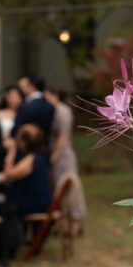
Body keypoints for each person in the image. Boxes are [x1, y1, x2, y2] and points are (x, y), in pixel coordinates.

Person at [44, 88, 87, 225]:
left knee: (69, 188)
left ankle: (74, 222)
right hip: (56, 154)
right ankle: (62, 221)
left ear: (55, 95)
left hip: (63, 156)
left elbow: (63, 136)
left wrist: (54, 156)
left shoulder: (63, 111)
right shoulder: (52, 111)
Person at [1, 124, 52, 217]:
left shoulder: (31, 159)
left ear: (24, 142)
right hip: (40, 202)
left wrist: (11, 151)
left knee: (6, 209)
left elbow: (8, 175)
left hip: (34, 204)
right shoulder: (40, 157)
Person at [14, 75, 55, 145]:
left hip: (26, 146)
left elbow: (16, 129)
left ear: (32, 86)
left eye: (26, 85)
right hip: (44, 146)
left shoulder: (25, 106)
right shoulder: (50, 106)